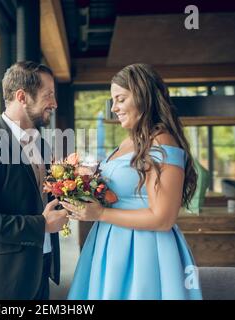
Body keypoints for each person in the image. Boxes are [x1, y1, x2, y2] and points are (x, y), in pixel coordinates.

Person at [62, 63, 203, 300]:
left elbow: (163, 219)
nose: (114, 107)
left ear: (142, 97)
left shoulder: (161, 142)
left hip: (143, 251)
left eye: (120, 99)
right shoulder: (129, 142)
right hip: (110, 244)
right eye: (113, 100)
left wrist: (99, 214)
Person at [0, 61, 68, 300]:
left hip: (40, 271)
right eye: (48, 95)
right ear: (22, 96)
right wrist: (42, 225)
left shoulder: (41, 144)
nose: (55, 103)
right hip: (2, 283)